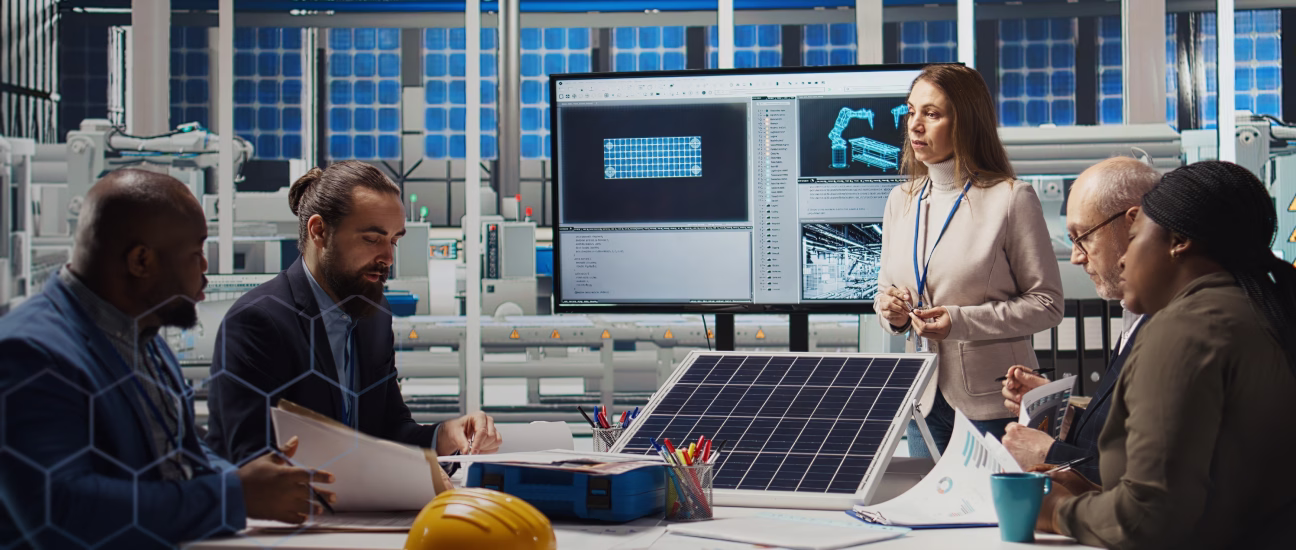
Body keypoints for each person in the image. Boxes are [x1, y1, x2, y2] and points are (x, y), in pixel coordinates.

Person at [0, 170, 333, 548]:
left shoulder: (143, 338)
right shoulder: (30, 354)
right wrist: (234, 495)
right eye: (196, 253)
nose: (205, 269)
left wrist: (252, 478)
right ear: (141, 261)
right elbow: (59, 513)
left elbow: (181, 454)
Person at [1035, 161, 1296, 548]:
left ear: (1179, 241)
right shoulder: (1253, 310)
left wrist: (1056, 510)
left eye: (1135, 236)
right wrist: (1094, 494)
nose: (1124, 259)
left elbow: (1147, 520)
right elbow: (1213, 488)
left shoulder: (1185, 329)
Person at [205, 161, 502, 467]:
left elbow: (389, 431)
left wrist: (444, 435)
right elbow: (247, 463)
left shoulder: (375, 315)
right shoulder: (258, 322)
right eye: (372, 239)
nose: (388, 257)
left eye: (394, 240)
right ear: (319, 231)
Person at [874, 64, 1063, 455]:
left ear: (966, 122)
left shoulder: (1011, 198)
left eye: (932, 114)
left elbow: (1047, 304)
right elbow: (884, 291)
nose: (915, 126)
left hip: (994, 402)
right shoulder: (900, 200)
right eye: (911, 111)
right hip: (924, 400)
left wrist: (959, 321)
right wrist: (890, 312)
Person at [998, 157, 1160, 481]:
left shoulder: (1168, 331)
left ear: (1133, 224)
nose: (1076, 257)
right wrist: (1064, 416)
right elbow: (1118, 441)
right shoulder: (1137, 314)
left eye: (1082, 236)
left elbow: (1146, 483)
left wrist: (1049, 454)